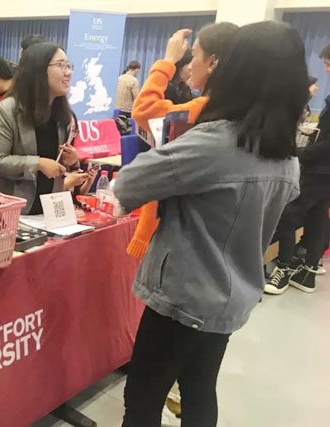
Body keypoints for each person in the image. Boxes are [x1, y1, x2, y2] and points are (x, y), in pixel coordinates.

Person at [113, 21, 306, 427]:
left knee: (143, 400)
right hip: (231, 296)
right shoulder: (286, 156)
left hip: (183, 297)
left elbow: (130, 182)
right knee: (199, 390)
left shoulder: (216, 142)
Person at [127, 23, 239, 261]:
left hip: (172, 239)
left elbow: (143, 110)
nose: (189, 66)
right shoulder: (239, 112)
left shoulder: (202, 110)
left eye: (194, 55)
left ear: (212, 63)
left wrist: (168, 60)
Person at [265, 44, 330, 295]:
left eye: (328, 64)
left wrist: (300, 152)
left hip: (319, 168)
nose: (326, 69)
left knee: (288, 215)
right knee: (317, 216)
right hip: (322, 168)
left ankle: (283, 269)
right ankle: (307, 272)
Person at [0, 43, 80, 215]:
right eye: (61, 65)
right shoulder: (7, 111)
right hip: (14, 213)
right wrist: (38, 164)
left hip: (51, 212)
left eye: (68, 65)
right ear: (39, 70)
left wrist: (72, 160)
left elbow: (61, 166)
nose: (68, 72)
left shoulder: (63, 113)